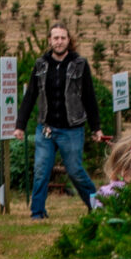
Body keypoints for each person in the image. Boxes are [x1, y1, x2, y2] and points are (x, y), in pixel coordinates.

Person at [24, 24, 100, 220]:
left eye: (62, 38)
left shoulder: (79, 64)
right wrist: (19, 125)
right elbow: (31, 95)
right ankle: (37, 213)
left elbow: (89, 97)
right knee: (41, 170)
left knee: (75, 171)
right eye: (55, 38)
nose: (59, 42)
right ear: (49, 41)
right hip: (46, 128)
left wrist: (96, 128)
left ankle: (97, 205)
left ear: (69, 41)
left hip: (72, 129)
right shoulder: (41, 64)